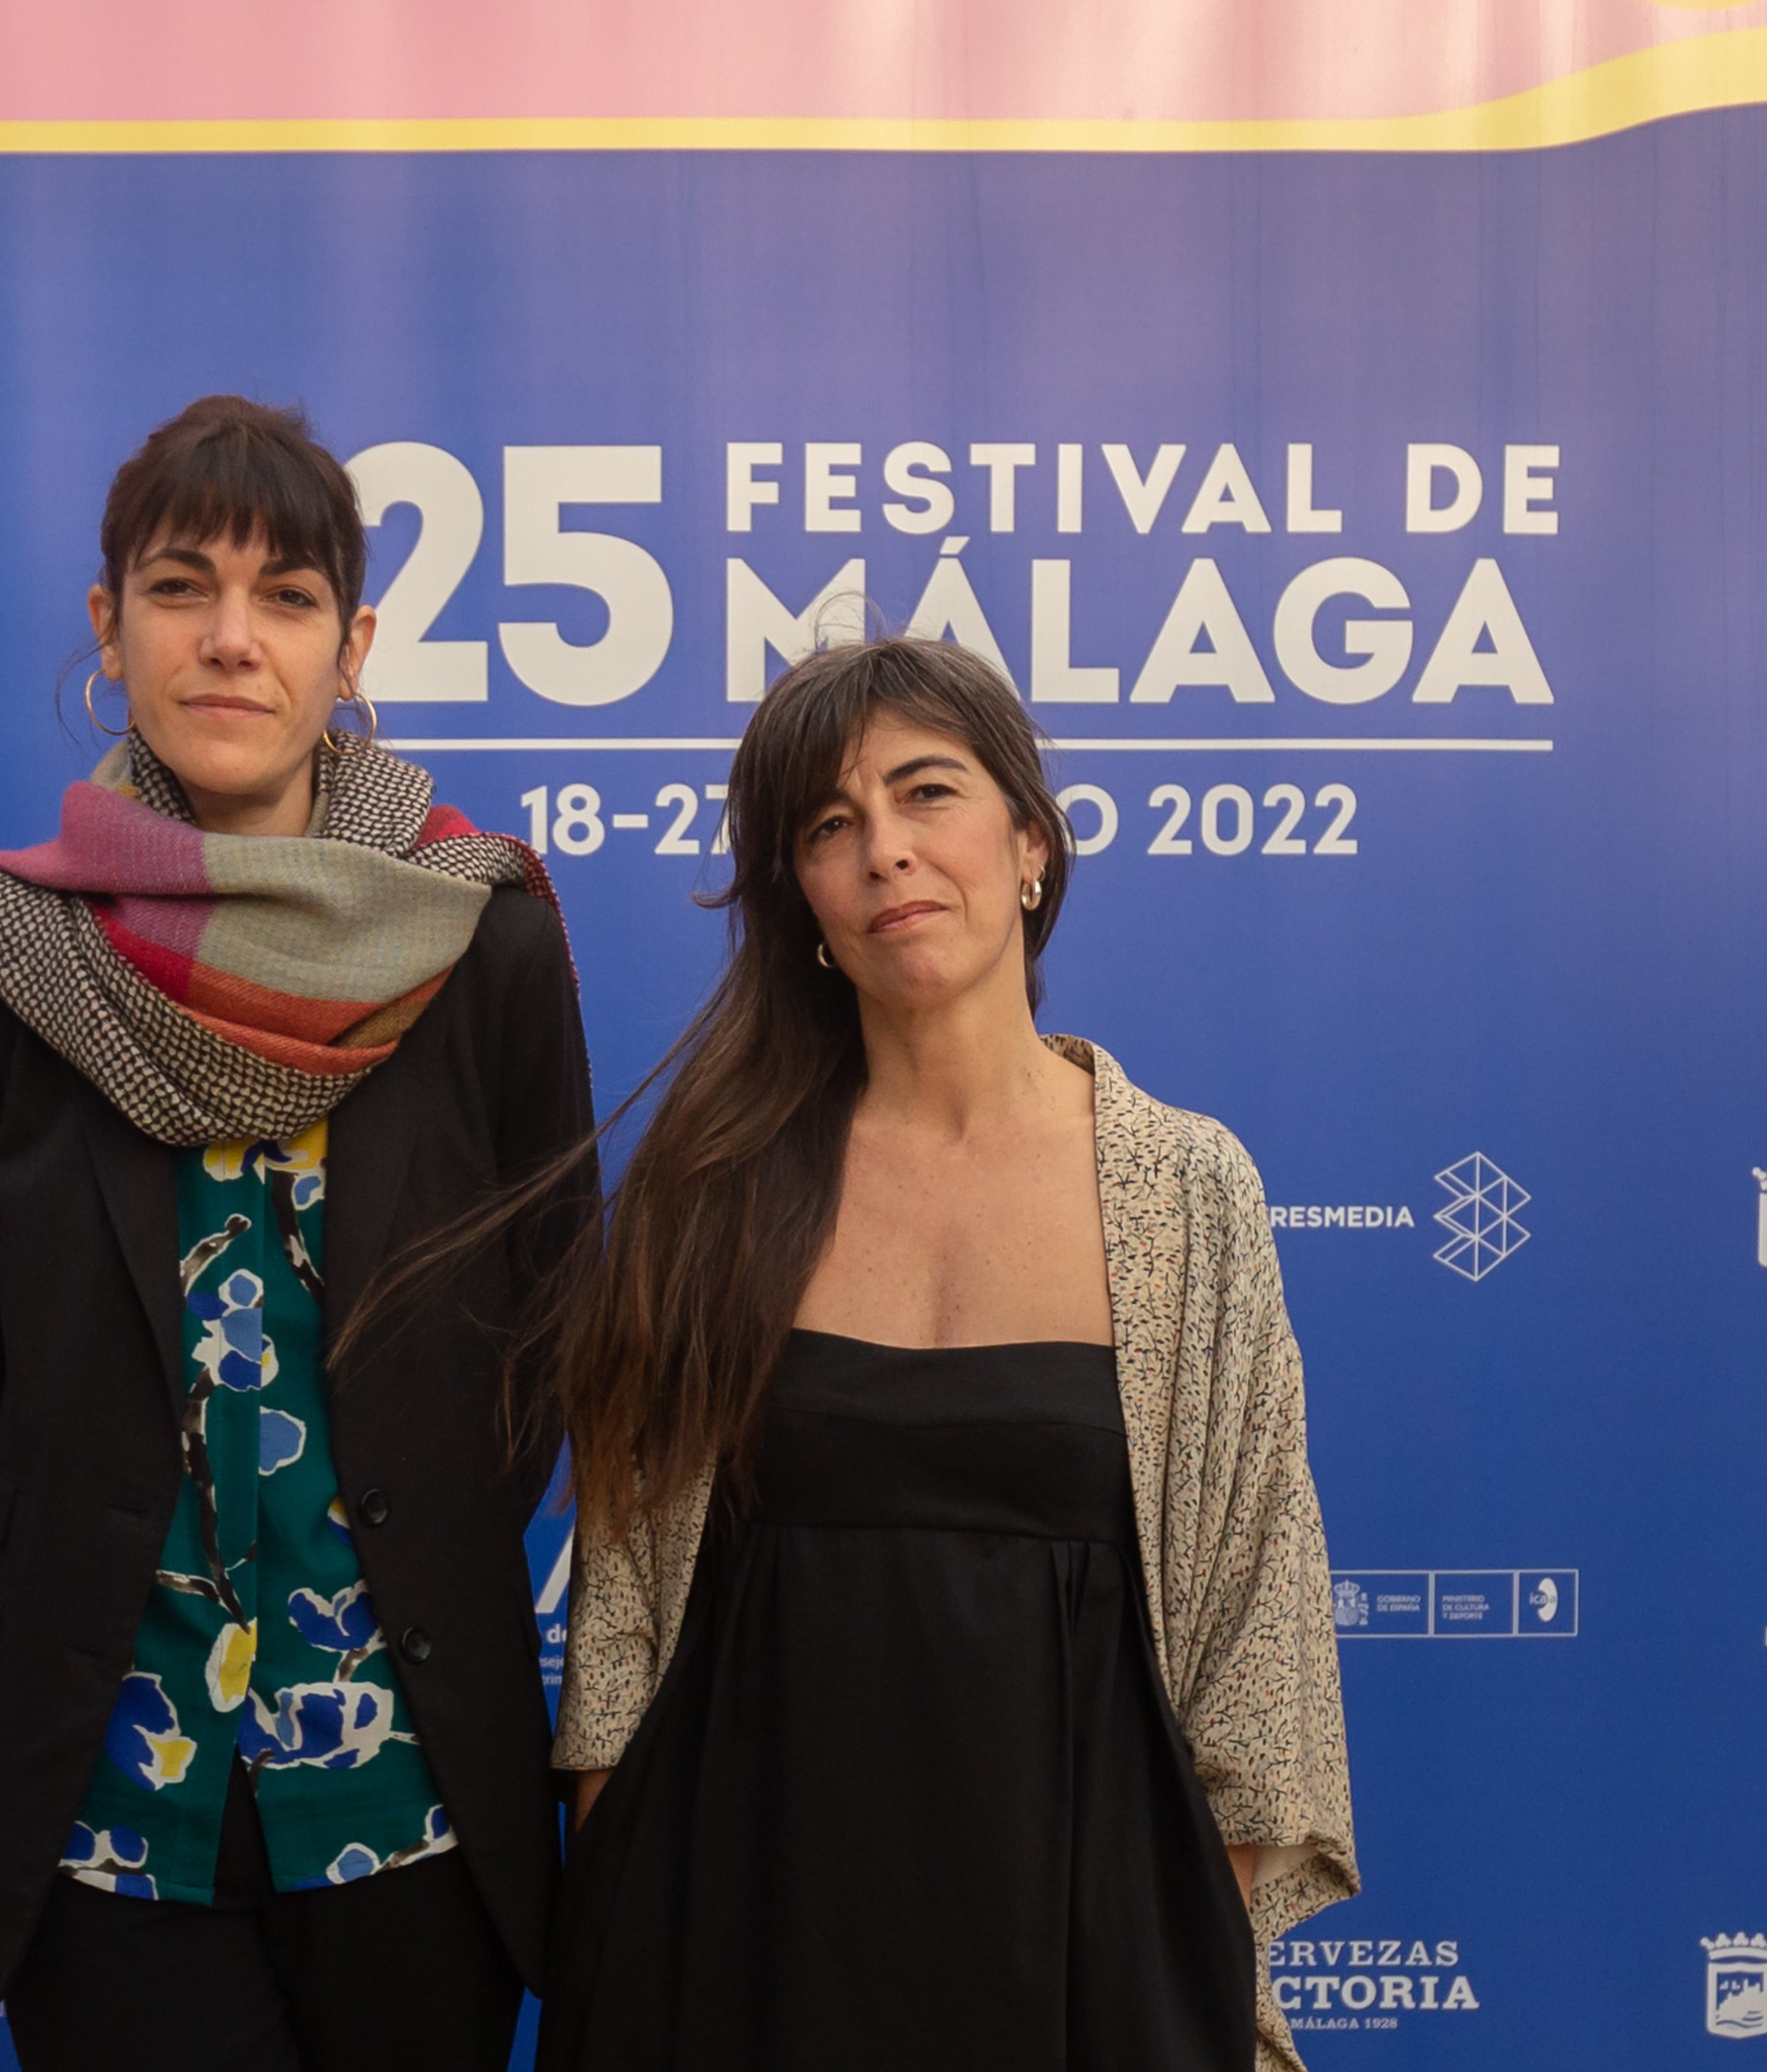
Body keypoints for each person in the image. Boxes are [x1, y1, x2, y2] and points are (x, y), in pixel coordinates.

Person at [538, 635, 1358, 2072]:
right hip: (736, 1948)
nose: (886, 855)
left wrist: (1164, 1945)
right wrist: (632, 1920)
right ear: (798, 894)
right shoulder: (711, 1187)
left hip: (1084, 1964)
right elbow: (618, 1623)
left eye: (928, 794)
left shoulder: (1185, 1189)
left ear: (1030, 843)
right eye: (830, 826)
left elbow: (1260, 1632)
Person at [0, 395, 592, 2070]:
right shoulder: (2, 949)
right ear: (108, 627)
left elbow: (551, 1324)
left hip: (408, 1783)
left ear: (352, 644)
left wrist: (394, 1543)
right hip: (116, 1793)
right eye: (179, 586)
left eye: (286, 597)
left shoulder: (478, 926)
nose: (228, 639)